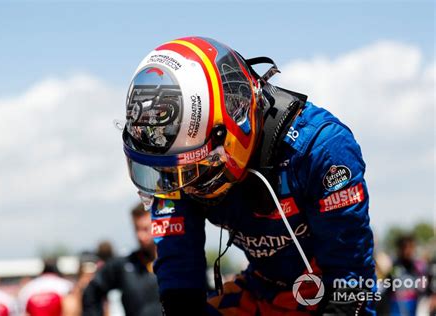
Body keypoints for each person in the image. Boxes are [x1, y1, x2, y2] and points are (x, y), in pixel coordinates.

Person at [120, 37, 375, 315]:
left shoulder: (321, 149)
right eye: (168, 173)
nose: (185, 186)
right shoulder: (174, 162)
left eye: (194, 171)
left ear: (233, 125)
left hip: (322, 290)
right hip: (261, 290)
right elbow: (179, 277)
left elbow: (350, 284)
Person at [82, 203, 161, 316]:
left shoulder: (176, 263)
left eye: (145, 229)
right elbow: (92, 291)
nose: (140, 236)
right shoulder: (124, 265)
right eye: (136, 229)